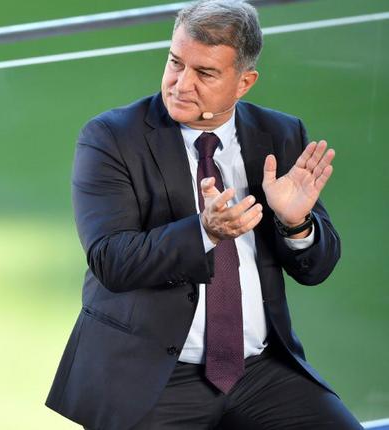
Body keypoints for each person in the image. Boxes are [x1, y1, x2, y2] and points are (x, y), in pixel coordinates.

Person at [46, 1, 362, 429]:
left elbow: (316, 269)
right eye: (175, 63)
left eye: (205, 73)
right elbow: (110, 261)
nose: (180, 84)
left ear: (244, 82)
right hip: (151, 377)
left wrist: (295, 224)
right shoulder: (110, 137)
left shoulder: (281, 134)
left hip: (262, 371)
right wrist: (204, 231)